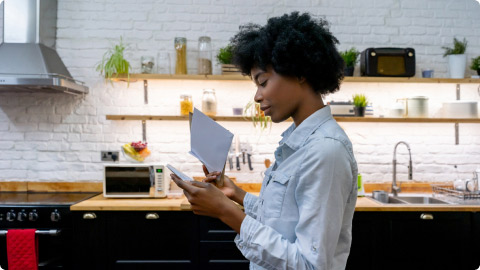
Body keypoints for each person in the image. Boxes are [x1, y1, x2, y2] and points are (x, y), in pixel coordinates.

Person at [171, 11, 358, 270]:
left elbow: (310, 265)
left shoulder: (326, 151)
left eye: (263, 82)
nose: (257, 96)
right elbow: (282, 218)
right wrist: (235, 194)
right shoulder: (299, 143)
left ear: (300, 72)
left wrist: (226, 212)